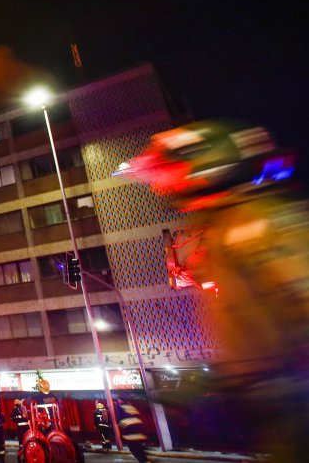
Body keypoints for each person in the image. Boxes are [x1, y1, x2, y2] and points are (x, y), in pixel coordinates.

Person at [118, 120, 309, 460]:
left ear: (206, 168)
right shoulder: (224, 227)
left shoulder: (255, 220)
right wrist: (217, 381)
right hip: (278, 414)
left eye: (170, 176)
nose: (163, 190)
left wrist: (285, 385)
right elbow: (253, 323)